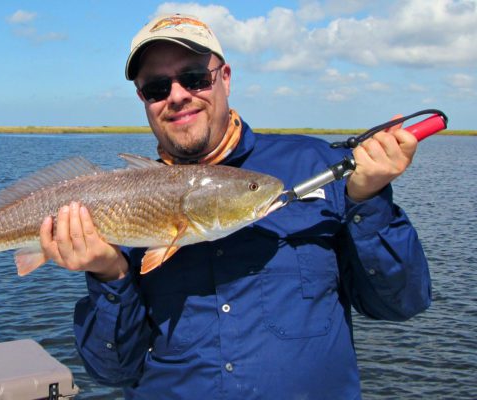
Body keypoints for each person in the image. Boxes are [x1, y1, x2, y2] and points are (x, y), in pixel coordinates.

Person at [39, 14, 431, 400]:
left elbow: (401, 304)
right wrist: (110, 276)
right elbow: (111, 370)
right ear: (143, 99)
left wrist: (367, 201)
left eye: (194, 78)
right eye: (157, 88)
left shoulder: (316, 165)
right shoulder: (121, 203)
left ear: (224, 77)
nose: (177, 95)